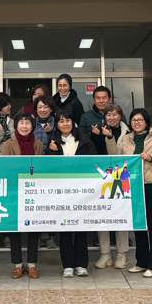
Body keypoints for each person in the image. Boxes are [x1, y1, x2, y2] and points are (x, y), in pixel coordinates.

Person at [118, 108, 152, 278]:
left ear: (146, 121)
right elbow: (119, 160)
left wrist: (151, 157)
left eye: (140, 119)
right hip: (133, 187)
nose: (137, 122)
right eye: (134, 120)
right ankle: (141, 262)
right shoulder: (126, 139)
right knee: (139, 225)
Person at [46, 110, 99, 277]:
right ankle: (67, 265)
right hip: (61, 191)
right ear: (57, 124)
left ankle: (81, 264)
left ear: (73, 122)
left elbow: (94, 162)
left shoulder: (84, 139)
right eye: (61, 121)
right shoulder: (52, 141)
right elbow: (47, 167)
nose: (65, 124)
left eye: (68, 120)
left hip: (82, 190)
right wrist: (52, 151)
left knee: (81, 227)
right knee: (65, 229)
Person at [0, 113, 44, 279]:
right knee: (14, 229)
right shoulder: (7, 144)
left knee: (33, 229)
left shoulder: (38, 144)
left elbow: (40, 167)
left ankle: (32, 264)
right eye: (21, 123)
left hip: (33, 191)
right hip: (14, 191)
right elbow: (4, 168)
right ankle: (17, 264)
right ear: (16, 125)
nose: (24, 126)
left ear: (32, 126)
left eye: (27, 123)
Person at [92, 100, 132, 269]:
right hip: (101, 178)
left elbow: (119, 156)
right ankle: (105, 254)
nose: (111, 117)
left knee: (120, 215)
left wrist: (109, 137)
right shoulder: (97, 130)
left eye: (115, 114)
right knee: (103, 215)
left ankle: (122, 254)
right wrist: (98, 136)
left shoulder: (128, 132)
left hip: (121, 178)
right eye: (108, 114)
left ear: (120, 116)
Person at [32, 96, 59, 250]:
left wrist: (50, 133)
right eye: (40, 107)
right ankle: (39, 236)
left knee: (51, 202)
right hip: (36, 168)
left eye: (45, 107)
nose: (43, 110)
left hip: (53, 169)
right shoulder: (30, 123)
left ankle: (51, 236)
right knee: (38, 203)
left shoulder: (58, 122)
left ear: (51, 109)